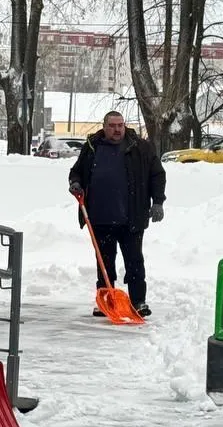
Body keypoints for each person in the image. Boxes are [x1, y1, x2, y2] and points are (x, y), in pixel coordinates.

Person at [68, 111, 166, 317]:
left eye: (120, 125)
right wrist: (76, 183)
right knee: (104, 262)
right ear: (104, 126)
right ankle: (105, 300)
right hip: (99, 216)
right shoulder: (92, 147)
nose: (117, 129)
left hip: (131, 217)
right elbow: (76, 171)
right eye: (112, 125)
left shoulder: (141, 147)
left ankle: (139, 301)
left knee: (134, 261)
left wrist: (158, 202)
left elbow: (157, 174)